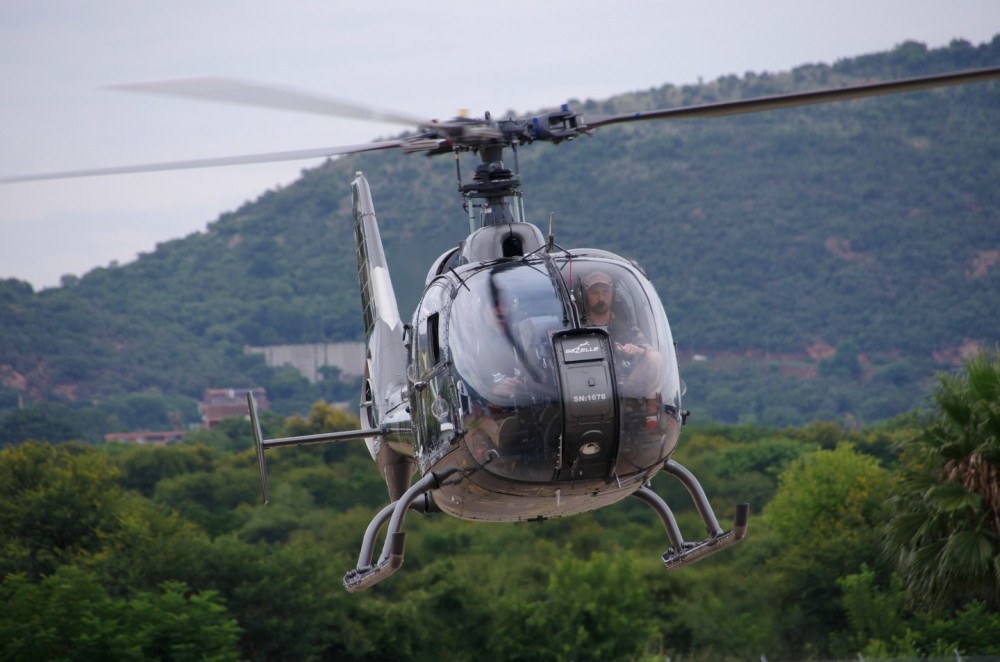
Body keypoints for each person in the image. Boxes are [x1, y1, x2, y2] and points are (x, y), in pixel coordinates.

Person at [582, 270, 663, 427]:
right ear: (586, 295)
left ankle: (651, 413)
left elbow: (645, 346)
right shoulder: (579, 326)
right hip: (590, 388)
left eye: (605, 292)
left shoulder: (624, 326)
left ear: (612, 294)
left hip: (625, 387)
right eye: (595, 292)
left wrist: (638, 350)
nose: (601, 298)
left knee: (655, 358)